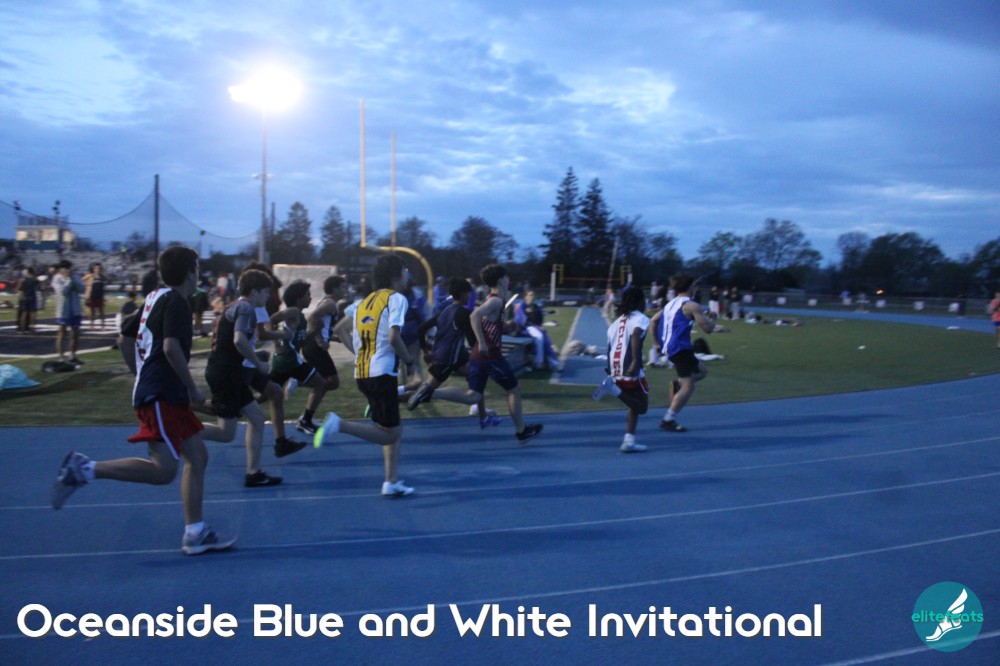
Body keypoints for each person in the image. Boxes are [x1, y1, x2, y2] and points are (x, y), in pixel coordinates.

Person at [50, 246, 236, 555]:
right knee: (164, 471)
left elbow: (124, 339)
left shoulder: (154, 298)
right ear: (191, 273)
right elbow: (171, 349)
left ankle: (195, 532)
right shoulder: (177, 303)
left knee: (198, 455)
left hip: (162, 392)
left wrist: (140, 374)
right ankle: (83, 469)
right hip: (163, 394)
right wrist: (192, 388)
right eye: (197, 268)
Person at [314, 254, 416, 497]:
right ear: (395, 276)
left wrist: (359, 352)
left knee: (392, 427)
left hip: (363, 373)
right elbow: (393, 337)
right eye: (404, 272)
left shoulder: (363, 302)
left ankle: (391, 481)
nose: (407, 276)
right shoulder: (396, 299)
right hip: (381, 374)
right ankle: (339, 424)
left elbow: (340, 329)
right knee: (390, 434)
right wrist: (409, 360)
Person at [201, 269, 304, 488]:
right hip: (227, 373)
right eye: (266, 292)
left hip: (228, 371)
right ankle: (179, 431)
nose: (268, 296)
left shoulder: (237, 306)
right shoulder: (247, 308)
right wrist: (257, 362)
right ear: (254, 292)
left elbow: (231, 343)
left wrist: (255, 355)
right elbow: (239, 341)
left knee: (256, 419)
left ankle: (253, 473)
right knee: (225, 433)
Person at [405, 277, 502, 429]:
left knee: (477, 377)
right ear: (463, 294)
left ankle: (482, 416)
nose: (469, 297)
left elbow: (421, 329)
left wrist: (425, 351)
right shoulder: (463, 314)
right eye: (468, 293)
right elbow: (473, 341)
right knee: (425, 390)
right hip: (448, 359)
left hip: (450, 355)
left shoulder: (445, 311)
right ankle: (391, 399)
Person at [270, 280, 336, 436]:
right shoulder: (293, 311)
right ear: (298, 298)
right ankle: (305, 420)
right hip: (290, 361)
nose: (310, 298)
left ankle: (240, 405)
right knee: (321, 383)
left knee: (268, 392)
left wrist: (314, 331)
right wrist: (276, 342)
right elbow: (271, 320)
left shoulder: (299, 315)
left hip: (286, 361)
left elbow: (301, 339)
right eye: (307, 295)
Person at [591, 285, 650, 452]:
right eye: (644, 300)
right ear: (639, 301)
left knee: (633, 404)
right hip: (630, 368)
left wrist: (610, 370)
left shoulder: (615, 324)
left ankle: (629, 441)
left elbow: (610, 347)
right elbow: (636, 334)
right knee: (641, 407)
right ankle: (613, 389)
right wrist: (636, 361)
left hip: (616, 369)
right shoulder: (641, 318)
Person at [656, 273, 717, 432]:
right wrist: (714, 318)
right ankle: (668, 419)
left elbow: (653, 321)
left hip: (673, 348)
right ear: (690, 287)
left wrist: (657, 344)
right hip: (680, 349)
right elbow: (708, 329)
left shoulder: (669, 304)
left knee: (702, 371)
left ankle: (678, 384)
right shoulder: (691, 305)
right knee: (689, 387)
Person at [293, 275, 346, 434]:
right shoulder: (330, 303)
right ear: (334, 289)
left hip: (313, 347)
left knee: (324, 383)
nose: (346, 290)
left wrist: (333, 338)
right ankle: (296, 381)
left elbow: (324, 325)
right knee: (331, 382)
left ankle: (306, 419)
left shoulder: (329, 303)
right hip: (314, 347)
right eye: (343, 287)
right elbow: (312, 318)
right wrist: (319, 340)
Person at [513, 290, 560, 370]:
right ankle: (538, 362)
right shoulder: (521, 306)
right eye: (530, 295)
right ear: (525, 296)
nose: (532, 297)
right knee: (539, 336)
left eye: (533, 295)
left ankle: (551, 361)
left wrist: (540, 325)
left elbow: (540, 317)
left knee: (546, 341)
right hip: (526, 328)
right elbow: (520, 320)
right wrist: (535, 325)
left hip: (535, 327)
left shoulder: (535, 306)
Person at [52, 259, 85, 364]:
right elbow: (63, 292)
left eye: (68, 268)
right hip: (63, 310)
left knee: (75, 334)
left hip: (75, 309)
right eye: (65, 268)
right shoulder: (57, 278)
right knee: (61, 333)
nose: (67, 270)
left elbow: (82, 289)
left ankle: (72, 356)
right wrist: (68, 281)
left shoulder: (75, 277)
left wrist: (73, 280)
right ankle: (61, 357)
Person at [82, 262, 107, 329]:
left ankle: (103, 325)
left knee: (101, 311)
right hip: (92, 296)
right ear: (93, 269)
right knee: (92, 311)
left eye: (98, 268)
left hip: (100, 296)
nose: (97, 270)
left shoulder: (102, 277)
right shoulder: (90, 276)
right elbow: (83, 280)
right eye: (95, 268)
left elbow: (104, 286)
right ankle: (92, 325)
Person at [16, 267, 39, 333]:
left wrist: (21, 295)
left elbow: (18, 288)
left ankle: (21, 329)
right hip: (33, 298)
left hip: (25, 298)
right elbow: (40, 288)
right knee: (32, 314)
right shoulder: (35, 280)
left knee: (23, 313)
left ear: (28, 272)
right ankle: (32, 328)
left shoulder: (23, 280)